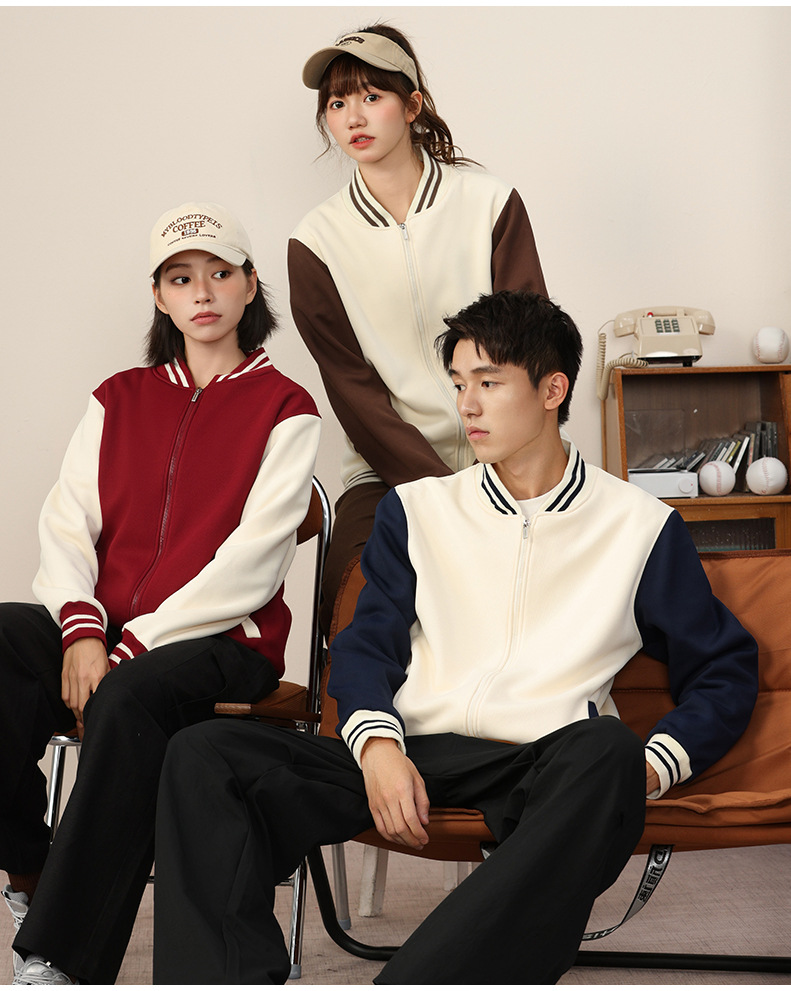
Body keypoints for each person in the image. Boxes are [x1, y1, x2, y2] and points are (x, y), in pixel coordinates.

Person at [152, 290, 758, 984]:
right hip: (411, 749)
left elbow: (724, 668)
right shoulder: (417, 510)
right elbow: (367, 644)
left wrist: (648, 768)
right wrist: (377, 747)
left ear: (552, 390)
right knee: (205, 753)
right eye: (459, 384)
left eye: (489, 383)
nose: (467, 405)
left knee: (608, 750)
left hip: (540, 765)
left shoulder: (638, 526)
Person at [1, 202, 321, 985]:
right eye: (181, 278)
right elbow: (67, 521)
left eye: (219, 273)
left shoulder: (286, 409)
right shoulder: (118, 398)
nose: (201, 292)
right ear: (159, 296)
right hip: (107, 632)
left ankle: (61, 955)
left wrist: (132, 646)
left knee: (129, 694)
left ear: (250, 284)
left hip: (224, 640)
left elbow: (252, 563)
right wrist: (83, 631)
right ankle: (28, 865)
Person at [288, 24, 547, 631]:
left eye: (371, 96)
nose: (354, 116)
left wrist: (498, 471)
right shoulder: (315, 243)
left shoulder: (490, 203)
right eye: (337, 102)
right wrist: (442, 492)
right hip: (385, 472)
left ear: (412, 106)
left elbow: (532, 347)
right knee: (356, 596)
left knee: (557, 593)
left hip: (509, 458)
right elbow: (352, 388)